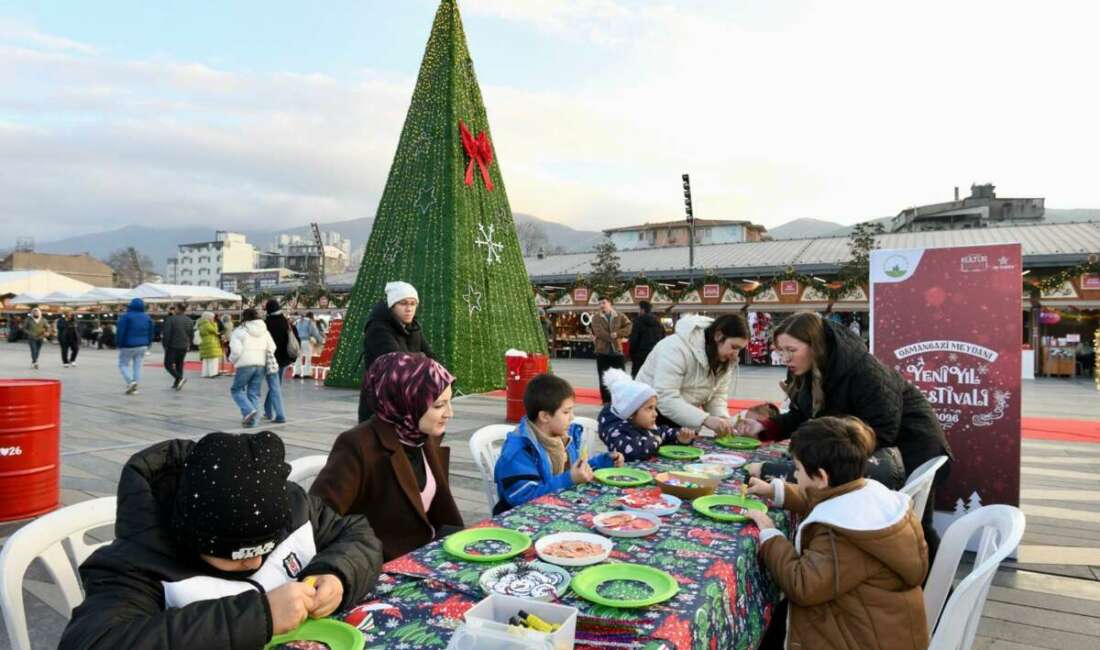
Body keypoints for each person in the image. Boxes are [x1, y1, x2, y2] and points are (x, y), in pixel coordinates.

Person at [59, 431, 383, 649]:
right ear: (192, 537)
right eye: (236, 554)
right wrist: (258, 616)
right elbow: (92, 641)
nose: (254, 563)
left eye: (265, 549)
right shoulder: (139, 563)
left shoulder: (287, 506)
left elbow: (357, 534)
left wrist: (339, 573)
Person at [737, 311, 952, 559]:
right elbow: (801, 415)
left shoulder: (864, 371)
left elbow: (881, 430)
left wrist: (809, 461)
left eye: (791, 350)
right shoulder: (804, 370)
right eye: (780, 350)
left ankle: (936, 589)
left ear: (815, 346)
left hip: (912, 448)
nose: (784, 358)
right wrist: (764, 428)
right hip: (873, 447)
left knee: (914, 527)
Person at [743, 417, 928, 650]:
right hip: (884, 627)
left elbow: (802, 586)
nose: (795, 476)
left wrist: (770, 534)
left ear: (821, 477)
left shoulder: (844, 534)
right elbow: (827, 497)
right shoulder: (865, 494)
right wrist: (775, 490)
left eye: (797, 469)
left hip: (859, 639)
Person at [311, 352, 464, 561]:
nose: (450, 413)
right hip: (380, 567)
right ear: (406, 401)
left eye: (449, 402)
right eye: (439, 405)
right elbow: (319, 519)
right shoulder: (358, 445)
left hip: (429, 555)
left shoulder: (421, 436)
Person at [493, 373, 624, 515]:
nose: (572, 417)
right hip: (520, 518)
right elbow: (524, 498)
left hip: (556, 508)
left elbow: (576, 470)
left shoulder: (563, 438)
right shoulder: (520, 450)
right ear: (544, 416)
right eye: (566, 412)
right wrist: (569, 479)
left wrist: (604, 461)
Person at [635, 313, 749, 436]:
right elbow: (665, 397)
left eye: (740, 349)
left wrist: (722, 420)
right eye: (734, 347)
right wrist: (705, 419)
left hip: (684, 418)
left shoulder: (724, 360)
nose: (735, 354)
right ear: (718, 336)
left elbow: (717, 396)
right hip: (649, 415)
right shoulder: (675, 348)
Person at [358, 281, 434, 422]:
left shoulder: (413, 327)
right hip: (380, 406)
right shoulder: (378, 328)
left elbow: (431, 356)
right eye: (403, 303)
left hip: (407, 402)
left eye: (413, 304)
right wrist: (424, 359)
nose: (409, 309)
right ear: (392, 306)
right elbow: (398, 363)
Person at [597, 368, 696, 462]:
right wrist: (656, 440)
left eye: (654, 408)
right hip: (623, 475)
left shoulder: (643, 425)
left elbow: (662, 433)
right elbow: (633, 451)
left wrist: (680, 437)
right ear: (631, 412)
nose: (655, 414)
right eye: (650, 408)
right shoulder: (617, 431)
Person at [228, 308, 276, 426]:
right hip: (261, 364)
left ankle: (248, 410)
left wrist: (232, 360)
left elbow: (236, 351)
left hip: (245, 364)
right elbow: (272, 347)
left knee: (236, 390)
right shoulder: (265, 330)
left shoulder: (239, 331)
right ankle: (253, 422)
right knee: (253, 393)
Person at [590, 297, 632, 403]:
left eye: (603, 303)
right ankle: (606, 400)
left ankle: (620, 398)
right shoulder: (596, 318)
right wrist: (612, 337)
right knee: (603, 377)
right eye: (599, 303)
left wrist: (618, 334)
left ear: (610, 303)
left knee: (621, 377)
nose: (601, 305)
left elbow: (629, 326)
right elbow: (598, 332)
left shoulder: (620, 315)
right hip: (602, 352)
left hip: (617, 351)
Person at [264, 299, 297, 423]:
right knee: (276, 385)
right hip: (283, 359)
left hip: (271, 359)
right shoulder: (285, 322)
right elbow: (294, 337)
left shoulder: (266, 323)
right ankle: (268, 410)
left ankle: (277, 414)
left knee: (274, 386)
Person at [116, 298, 154, 395]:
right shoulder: (147, 317)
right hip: (143, 345)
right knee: (137, 366)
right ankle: (135, 387)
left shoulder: (126, 317)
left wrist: (119, 343)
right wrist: (148, 343)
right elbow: (151, 332)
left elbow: (121, 332)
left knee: (123, 364)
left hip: (128, 345)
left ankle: (131, 382)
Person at [161, 302, 194, 390]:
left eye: (175, 308)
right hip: (184, 345)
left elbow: (167, 333)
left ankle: (180, 378)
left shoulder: (171, 319)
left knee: (168, 364)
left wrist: (165, 345)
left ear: (178, 309)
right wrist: (189, 343)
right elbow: (191, 334)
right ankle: (177, 382)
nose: (173, 309)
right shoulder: (189, 320)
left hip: (173, 345)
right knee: (179, 364)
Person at [627, 300, 664, 379]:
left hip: (640, 355)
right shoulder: (658, 322)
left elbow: (634, 340)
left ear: (642, 310)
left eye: (639, 309)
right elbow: (663, 338)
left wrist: (631, 354)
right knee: (652, 377)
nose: (638, 311)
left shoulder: (638, 321)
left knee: (637, 377)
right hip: (654, 354)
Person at [294, 311, 323, 378]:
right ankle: (306, 374)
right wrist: (320, 340)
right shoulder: (310, 322)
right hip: (307, 341)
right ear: (312, 316)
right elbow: (314, 332)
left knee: (298, 358)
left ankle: (297, 373)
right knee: (308, 357)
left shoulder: (297, 321)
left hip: (298, 341)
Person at [197, 311, 222, 378]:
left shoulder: (201, 323)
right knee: (213, 358)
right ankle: (213, 373)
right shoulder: (208, 324)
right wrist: (214, 324)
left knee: (206, 359)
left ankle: (205, 373)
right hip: (211, 342)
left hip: (204, 342)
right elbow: (215, 331)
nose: (213, 318)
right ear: (208, 317)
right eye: (212, 317)